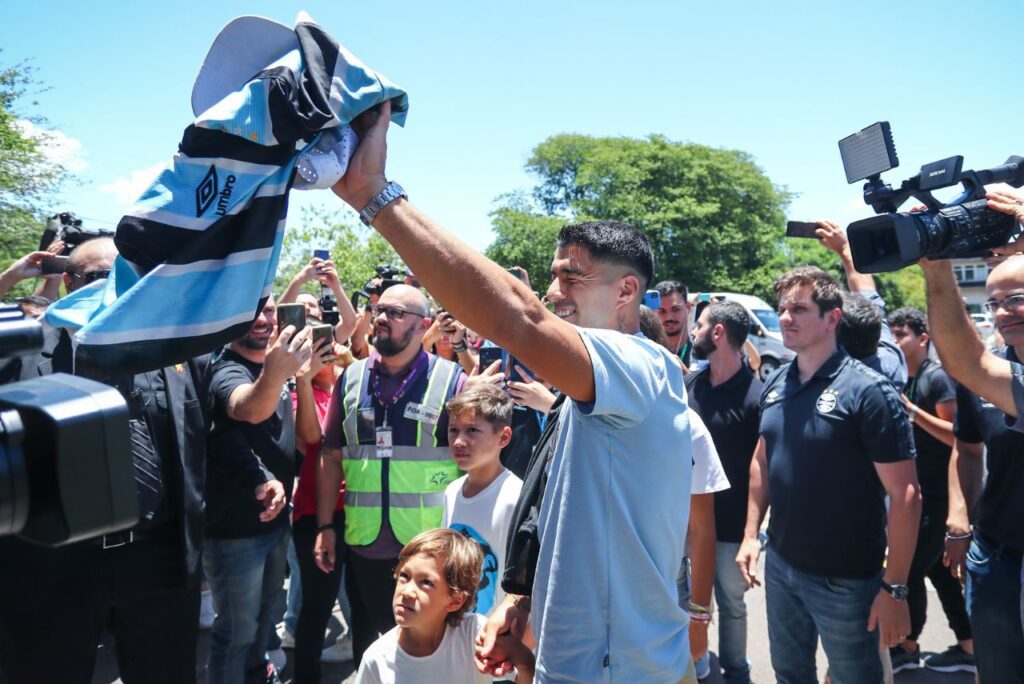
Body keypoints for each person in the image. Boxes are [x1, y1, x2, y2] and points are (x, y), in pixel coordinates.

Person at [328, 99, 696, 683]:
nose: (553, 294)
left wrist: (374, 196)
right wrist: (520, 604)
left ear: (627, 291)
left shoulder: (640, 365)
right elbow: (578, 524)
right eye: (551, 278)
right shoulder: (590, 396)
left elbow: (519, 319)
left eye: (570, 276)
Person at [0, 237, 210, 684]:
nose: (118, 289)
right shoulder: (19, 356)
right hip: (52, 567)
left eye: (131, 277)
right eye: (101, 277)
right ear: (68, 284)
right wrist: (12, 277)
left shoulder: (173, 353)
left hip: (158, 563)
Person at [736, 266, 921, 684]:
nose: (785, 317)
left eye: (799, 308)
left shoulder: (869, 391)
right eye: (782, 308)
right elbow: (762, 459)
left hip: (848, 581)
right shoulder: (778, 382)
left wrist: (895, 588)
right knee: (790, 674)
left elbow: (907, 496)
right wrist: (751, 533)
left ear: (832, 318)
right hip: (782, 567)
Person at [315, 283, 466, 667]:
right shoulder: (349, 378)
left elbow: (473, 464)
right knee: (371, 654)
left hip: (428, 550)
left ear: (423, 325)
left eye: (396, 313)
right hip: (364, 544)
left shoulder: (451, 381)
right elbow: (331, 456)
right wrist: (325, 525)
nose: (381, 318)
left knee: (428, 654)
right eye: (379, 310)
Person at [921, 245, 1024, 678]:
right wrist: (959, 517)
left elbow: (965, 360)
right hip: (996, 555)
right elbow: (966, 447)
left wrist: (937, 267)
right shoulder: (981, 378)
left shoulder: (982, 373)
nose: (1002, 313)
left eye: (1016, 298)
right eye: (994, 302)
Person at [204, 295, 305, 684]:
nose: (263, 318)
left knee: (264, 623)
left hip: (275, 523)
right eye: (252, 309)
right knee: (236, 632)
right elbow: (247, 408)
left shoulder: (274, 368)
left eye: (270, 309)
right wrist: (278, 372)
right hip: (235, 533)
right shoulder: (225, 370)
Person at [885, 307, 974, 673]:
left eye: (901, 334)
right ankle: (969, 646)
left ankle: (907, 644)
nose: (894, 340)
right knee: (940, 573)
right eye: (892, 333)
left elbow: (959, 436)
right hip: (915, 491)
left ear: (923, 338)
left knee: (908, 572)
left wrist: (911, 412)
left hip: (938, 497)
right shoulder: (900, 376)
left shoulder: (937, 378)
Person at [685, 300, 762, 684]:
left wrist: (753, 532)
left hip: (732, 528)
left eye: (699, 325)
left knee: (731, 606)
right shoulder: (688, 387)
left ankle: (737, 672)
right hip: (687, 525)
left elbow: (762, 472)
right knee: (689, 603)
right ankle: (693, 668)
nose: (693, 331)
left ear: (718, 333)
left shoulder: (756, 396)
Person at [354, 528, 535, 684]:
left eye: (425, 582)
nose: (407, 591)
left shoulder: (475, 635)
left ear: (456, 601)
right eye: (404, 576)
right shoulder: (376, 659)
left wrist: (525, 661)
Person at [286, 317, 353, 682]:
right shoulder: (299, 392)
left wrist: (348, 361)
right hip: (316, 514)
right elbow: (311, 436)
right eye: (313, 348)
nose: (322, 354)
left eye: (324, 346)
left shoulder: (349, 384)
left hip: (357, 511)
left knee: (358, 603)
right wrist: (303, 375)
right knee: (318, 605)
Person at [442, 384, 524, 615]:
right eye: (453, 430)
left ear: (504, 437)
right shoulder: (452, 491)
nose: (458, 441)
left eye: (472, 431)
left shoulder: (515, 497)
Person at [816, 220, 907, 390]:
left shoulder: (829, 384)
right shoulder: (889, 364)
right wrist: (844, 248)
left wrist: (843, 249)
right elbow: (867, 293)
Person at [280, 254, 358, 344]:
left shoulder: (329, 336)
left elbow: (350, 323)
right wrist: (298, 280)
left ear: (320, 313)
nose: (307, 308)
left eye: (312, 305)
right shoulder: (286, 337)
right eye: (301, 305)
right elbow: (280, 313)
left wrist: (336, 287)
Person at [655, 279, 695, 367]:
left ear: (688, 307)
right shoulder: (648, 350)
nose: (669, 317)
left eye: (676, 309)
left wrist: (686, 376)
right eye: (661, 311)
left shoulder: (702, 349)